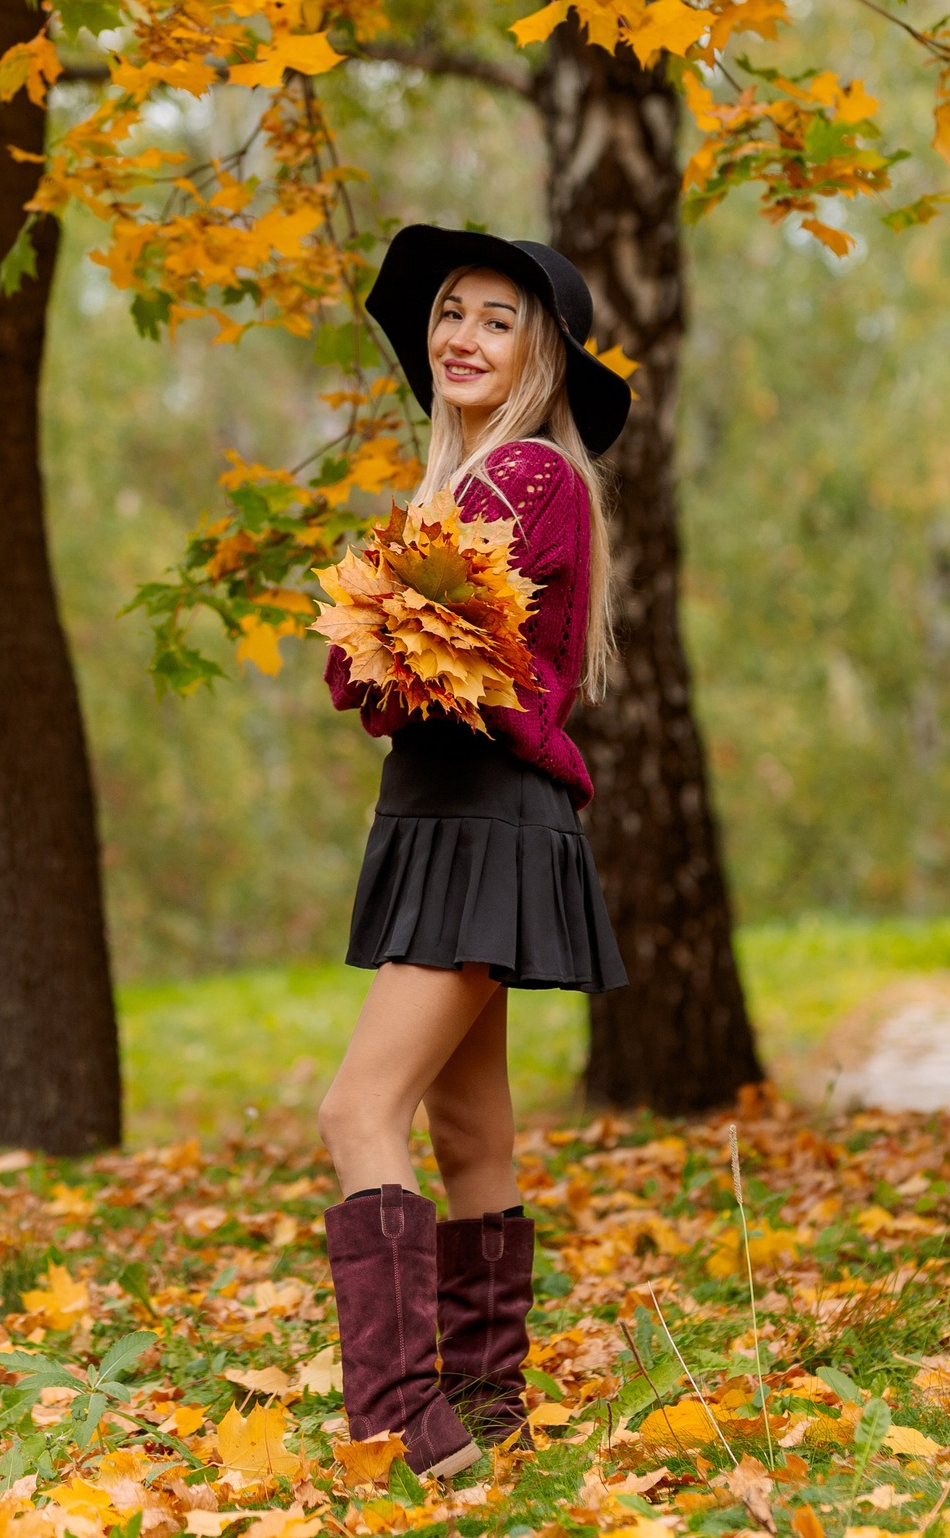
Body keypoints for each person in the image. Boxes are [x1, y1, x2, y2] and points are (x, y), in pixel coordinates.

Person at [315, 226, 631, 1481]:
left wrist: (386, 637)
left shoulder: (527, 480)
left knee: (357, 1111)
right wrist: (385, 640)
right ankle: (490, 1419)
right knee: (470, 1132)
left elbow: (395, 669)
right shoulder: (462, 491)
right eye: (452, 311)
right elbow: (371, 666)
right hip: (453, 816)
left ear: (540, 355)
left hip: (480, 818)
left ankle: (406, 1422)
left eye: (499, 321)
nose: (463, 336)